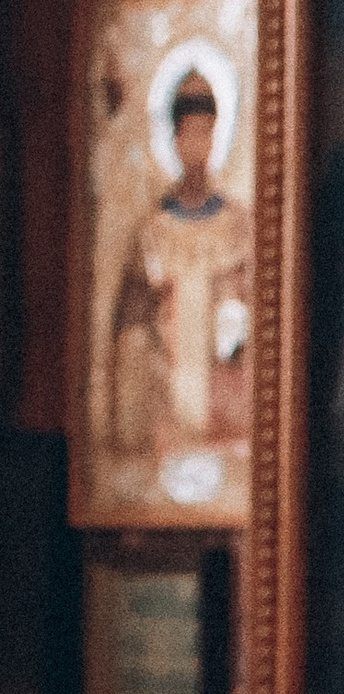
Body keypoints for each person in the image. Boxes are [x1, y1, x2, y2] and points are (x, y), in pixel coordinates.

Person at [106, 66, 251, 490]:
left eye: (207, 134)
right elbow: (129, 323)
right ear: (175, 140)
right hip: (163, 402)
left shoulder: (238, 226)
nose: (198, 146)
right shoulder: (152, 229)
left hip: (225, 403)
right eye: (190, 135)